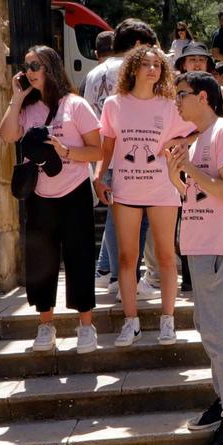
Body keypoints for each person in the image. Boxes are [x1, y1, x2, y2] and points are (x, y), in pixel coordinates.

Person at [166, 72, 223, 445]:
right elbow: (194, 193)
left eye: (181, 95)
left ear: (203, 97)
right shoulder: (199, 138)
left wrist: (191, 169)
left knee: (219, 331)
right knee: (207, 327)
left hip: (220, 245)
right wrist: (177, 176)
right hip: (199, 244)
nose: (177, 103)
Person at [1, 45, 104, 352]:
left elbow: (98, 151)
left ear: (51, 67)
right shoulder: (27, 107)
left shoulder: (75, 105)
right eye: (26, 66)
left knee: (79, 258)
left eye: (35, 66)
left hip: (74, 193)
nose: (29, 72)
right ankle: (46, 325)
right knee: (40, 261)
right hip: (40, 196)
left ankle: (86, 326)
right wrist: (16, 98)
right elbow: (7, 135)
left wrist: (66, 151)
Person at [97, 44, 194, 344]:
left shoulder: (168, 105)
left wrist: (180, 142)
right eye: (146, 64)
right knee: (127, 258)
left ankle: (168, 320)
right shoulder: (114, 104)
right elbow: (108, 144)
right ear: (133, 68)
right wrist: (99, 177)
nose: (152, 69)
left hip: (162, 188)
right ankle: (131, 322)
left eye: (157, 65)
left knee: (166, 256)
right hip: (126, 189)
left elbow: (197, 129)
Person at [85, 20, 157, 285]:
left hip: (106, 152)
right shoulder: (133, 71)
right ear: (138, 45)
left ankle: (107, 270)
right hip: (134, 154)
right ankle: (121, 278)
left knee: (118, 219)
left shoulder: (94, 74)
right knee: (135, 222)